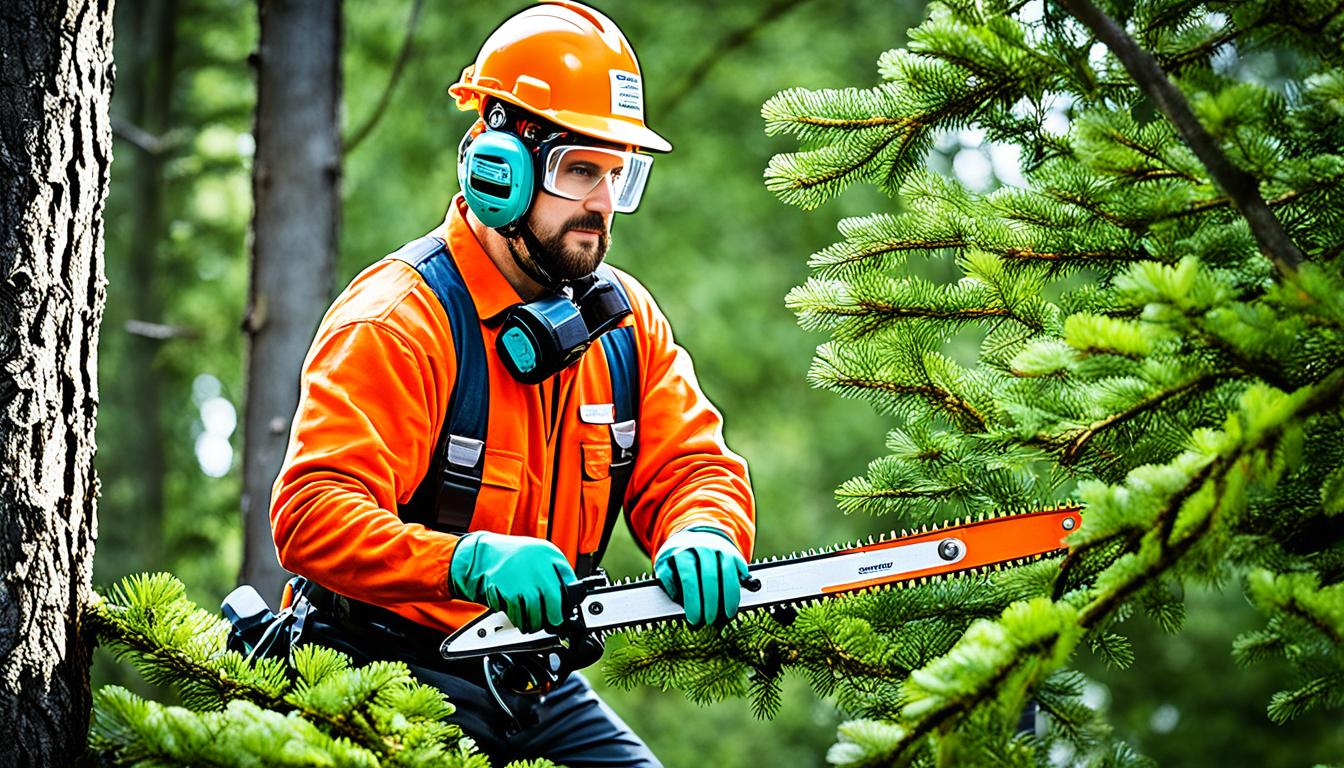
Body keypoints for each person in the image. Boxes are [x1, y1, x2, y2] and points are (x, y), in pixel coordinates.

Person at [268, 2, 756, 765]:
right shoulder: (399, 320)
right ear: (498, 169)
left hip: (532, 677)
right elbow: (310, 516)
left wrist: (705, 528)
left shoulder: (622, 326)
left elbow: (693, 464)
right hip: (384, 667)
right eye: (580, 170)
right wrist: (466, 563)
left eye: (618, 176)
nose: (601, 203)